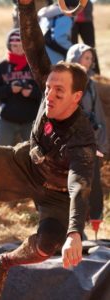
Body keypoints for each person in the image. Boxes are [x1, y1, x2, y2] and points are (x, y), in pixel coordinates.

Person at [0, 1, 96, 299]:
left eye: (59, 92)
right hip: (25, 162)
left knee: (46, 245)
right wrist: (26, 6)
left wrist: (75, 233)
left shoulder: (82, 138)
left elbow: (79, 186)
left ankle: (4, 263)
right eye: (48, 88)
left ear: (77, 97)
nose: (49, 96)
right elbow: (33, 46)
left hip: (57, 194)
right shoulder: (49, 84)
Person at [0, 28, 41, 204]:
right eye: (14, 45)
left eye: (20, 45)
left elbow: (46, 91)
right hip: (6, 120)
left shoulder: (35, 66)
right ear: (9, 45)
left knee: (36, 160)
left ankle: (41, 203)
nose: (17, 48)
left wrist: (31, 93)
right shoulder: (1, 68)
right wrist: (9, 90)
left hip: (31, 121)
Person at [66, 43, 108, 223]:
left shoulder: (90, 83)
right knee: (71, 182)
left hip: (90, 142)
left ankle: (95, 220)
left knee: (94, 183)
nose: (89, 62)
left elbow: (98, 115)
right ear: (74, 58)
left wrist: (101, 143)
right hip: (69, 141)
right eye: (85, 57)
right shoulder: (63, 81)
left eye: (90, 58)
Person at [66, 0, 100, 74]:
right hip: (71, 19)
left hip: (86, 18)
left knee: (91, 49)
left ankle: (96, 76)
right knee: (73, 49)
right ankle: (73, 74)